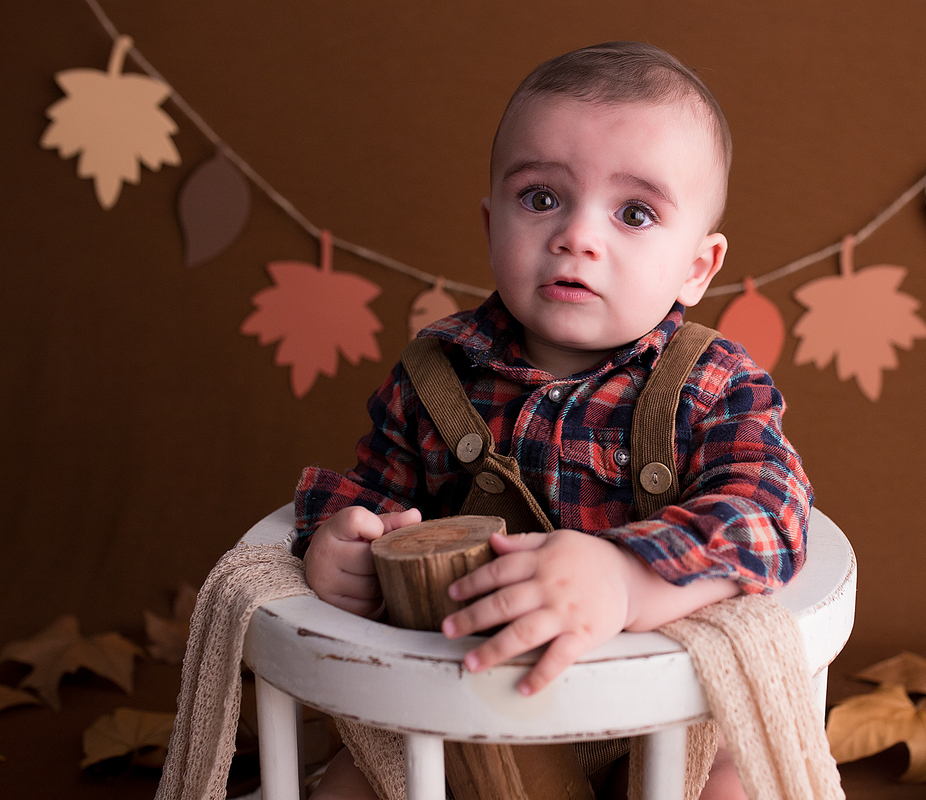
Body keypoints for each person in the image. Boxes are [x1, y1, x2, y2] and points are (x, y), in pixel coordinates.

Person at [295, 41, 813, 800]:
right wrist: (345, 546)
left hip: (663, 720)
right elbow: (376, 493)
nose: (577, 236)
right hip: (467, 714)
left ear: (697, 268)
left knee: (739, 780)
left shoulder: (713, 385)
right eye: (541, 198)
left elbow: (770, 516)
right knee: (353, 783)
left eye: (635, 212)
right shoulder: (436, 375)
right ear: (490, 222)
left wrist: (628, 579)